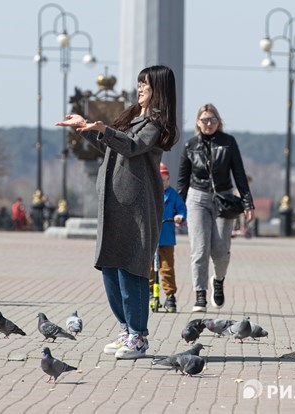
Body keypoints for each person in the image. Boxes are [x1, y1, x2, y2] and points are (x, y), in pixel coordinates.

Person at [55, 65, 178, 360]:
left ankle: (138, 336)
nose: (140, 89)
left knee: (131, 269)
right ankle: (125, 328)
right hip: (113, 205)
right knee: (110, 266)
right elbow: (111, 147)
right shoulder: (132, 117)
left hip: (136, 207)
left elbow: (133, 146)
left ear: (159, 89)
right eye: (139, 83)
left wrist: (105, 130)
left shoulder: (156, 124)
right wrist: (84, 126)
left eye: (146, 85)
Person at [176, 103, 254, 312]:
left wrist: (247, 203)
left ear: (218, 122)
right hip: (197, 198)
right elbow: (182, 180)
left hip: (223, 199)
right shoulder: (190, 145)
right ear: (198, 122)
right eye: (204, 120)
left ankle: (218, 280)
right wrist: (178, 208)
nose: (208, 124)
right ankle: (200, 295)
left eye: (212, 120)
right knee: (199, 249)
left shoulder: (228, 143)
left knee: (220, 251)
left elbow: (239, 173)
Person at [149, 162, 187, 313]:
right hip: (152, 238)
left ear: (168, 180)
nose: (162, 182)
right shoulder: (150, 194)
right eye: (159, 179)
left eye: (164, 179)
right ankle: (151, 293)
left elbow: (182, 208)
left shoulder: (172, 195)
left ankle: (170, 295)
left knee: (167, 268)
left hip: (166, 237)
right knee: (150, 268)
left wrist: (180, 216)